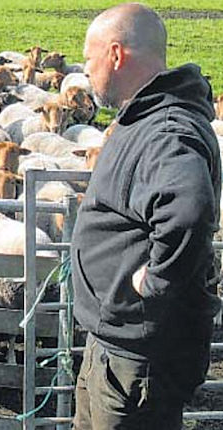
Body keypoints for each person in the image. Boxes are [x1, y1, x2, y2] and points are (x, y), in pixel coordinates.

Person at [71, 3, 221, 429]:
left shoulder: (167, 130)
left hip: (136, 360)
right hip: (116, 346)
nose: (86, 71)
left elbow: (188, 211)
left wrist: (155, 281)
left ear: (116, 55)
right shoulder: (147, 118)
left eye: (89, 59)